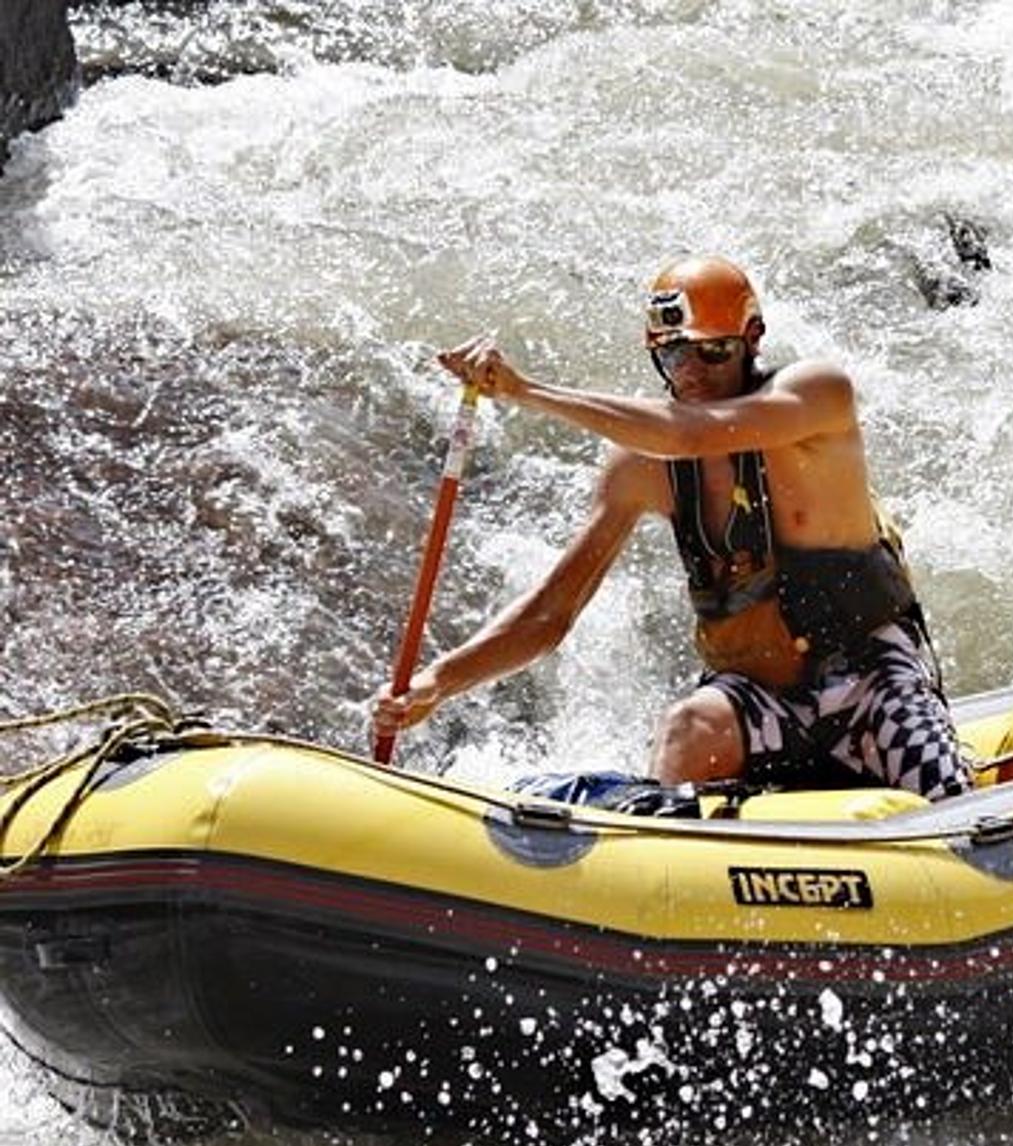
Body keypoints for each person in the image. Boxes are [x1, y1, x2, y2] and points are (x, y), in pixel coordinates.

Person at [370, 254, 972, 802]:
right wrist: (436, 683)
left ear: (752, 339)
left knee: (947, 797)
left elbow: (691, 433)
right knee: (689, 726)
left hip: (871, 684)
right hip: (761, 699)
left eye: (712, 352)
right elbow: (551, 614)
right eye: (673, 355)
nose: (692, 373)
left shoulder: (817, 397)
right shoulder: (640, 465)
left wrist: (526, 392)